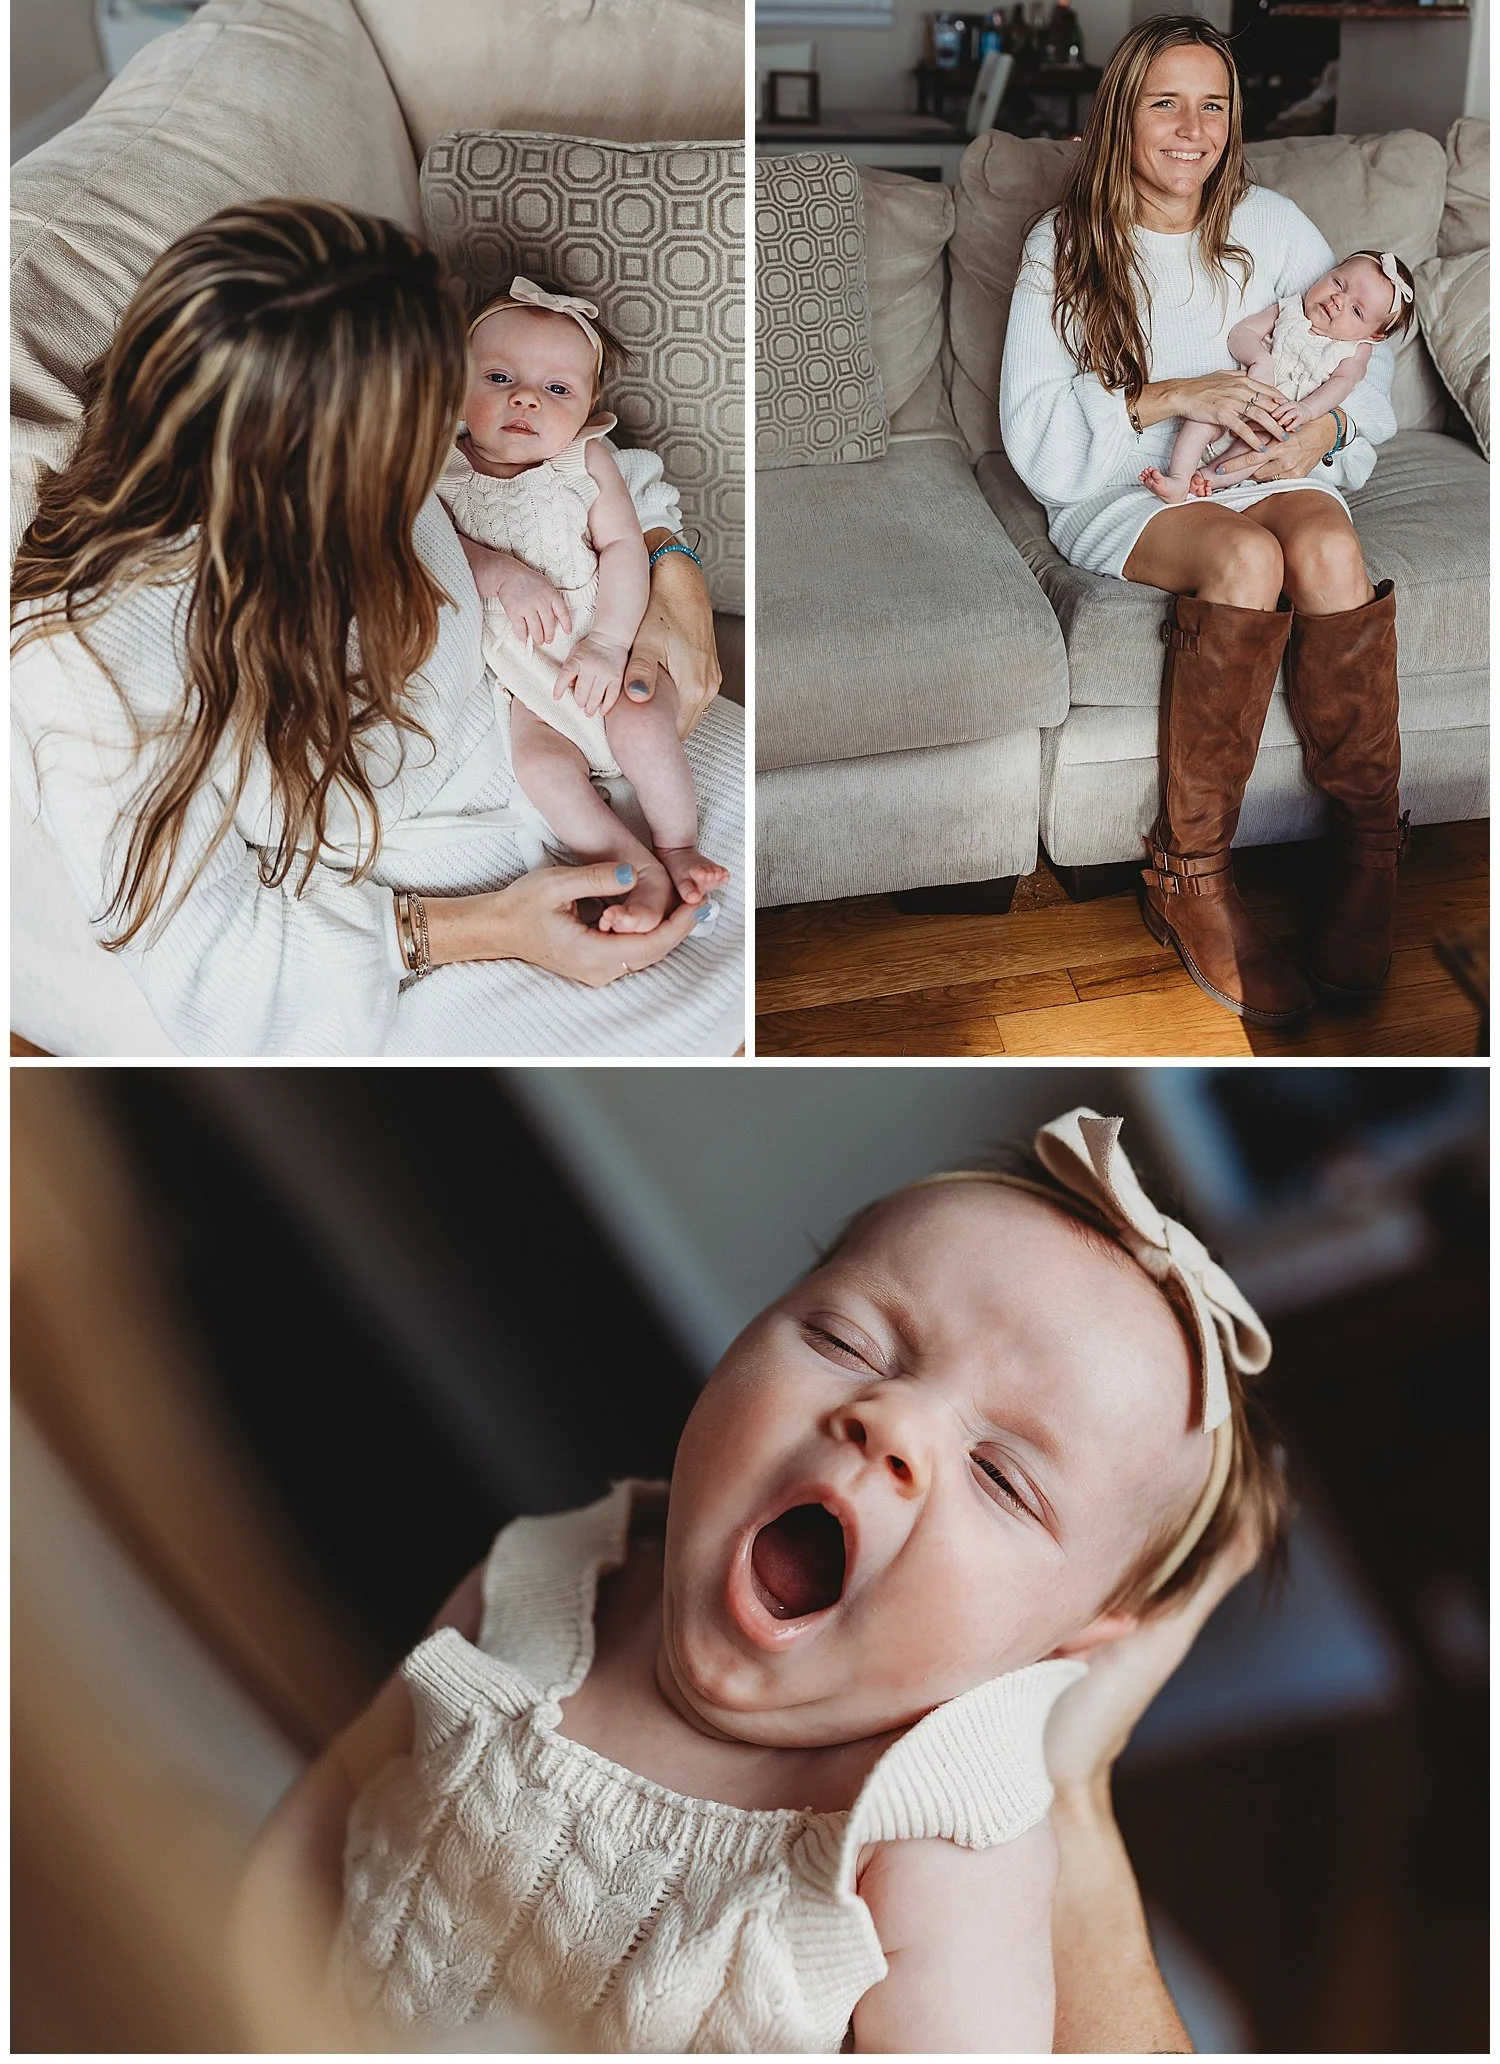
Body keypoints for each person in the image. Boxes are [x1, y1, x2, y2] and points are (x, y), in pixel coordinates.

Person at [235, 1107, 1289, 2052]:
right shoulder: (541, 1579)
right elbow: (329, 1812)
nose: (893, 1422)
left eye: (1004, 1477)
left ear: (1074, 1633)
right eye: (845, 1337)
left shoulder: (931, 1851)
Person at [10, 201, 742, 1057]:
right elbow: (219, 973)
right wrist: (492, 929)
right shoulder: (97, 658)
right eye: (416, 428)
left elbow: (581, 471)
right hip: (433, 910)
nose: (443, 442)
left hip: (569, 715)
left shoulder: (363, 419)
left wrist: (673, 571)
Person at [1001, 15, 1405, 1025]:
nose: (1192, 129)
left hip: (1264, 462)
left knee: (1320, 539)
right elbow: (1036, 428)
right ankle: (1190, 875)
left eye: (1213, 104)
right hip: (1123, 483)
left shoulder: (1269, 224)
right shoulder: (1065, 242)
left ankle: (1368, 846)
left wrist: (1330, 431)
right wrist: (1180, 392)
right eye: (1165, 103)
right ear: (1121, 115)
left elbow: (1367, 351)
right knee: (1241, 556)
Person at [437, 277, 729, 934]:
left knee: (641, 724)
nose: (525, 398)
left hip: (606, 650)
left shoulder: (587, 462)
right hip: (527, 687)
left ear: (591, 409)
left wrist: (606, 643)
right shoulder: (438, 470)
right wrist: (496, 570)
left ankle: (677, 845)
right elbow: (428, 546)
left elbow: (626, 546)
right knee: (540, 766)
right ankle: (632, 865)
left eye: (557, 389)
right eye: (499, 376)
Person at [1144, 250, 1415, 501]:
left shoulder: (1356, 351)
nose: (1338, 301)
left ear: (1373, 335)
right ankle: (1179, 479)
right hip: (1239, 396)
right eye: (1338, 284)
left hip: (1279, 418)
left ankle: (1211, 478)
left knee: (1263, 449)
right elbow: (1242, 333)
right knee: (1200, 422)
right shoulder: (1290, 309)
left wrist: (1307, 410)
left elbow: (1342, 384)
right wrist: (1259, 360)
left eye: (1357, 310)